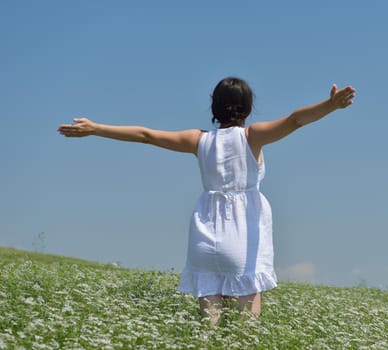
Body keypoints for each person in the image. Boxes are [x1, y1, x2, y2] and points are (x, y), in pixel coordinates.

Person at [58, 77, 356, 326]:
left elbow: (146, 135)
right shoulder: (252, 136)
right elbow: (295, 120)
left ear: (214, 107)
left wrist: (96, 128)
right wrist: (330, 105)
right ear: (248, 108)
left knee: (208, 331)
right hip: (242, 236)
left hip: (205, 233)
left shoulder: (199, 140)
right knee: (245, 331)